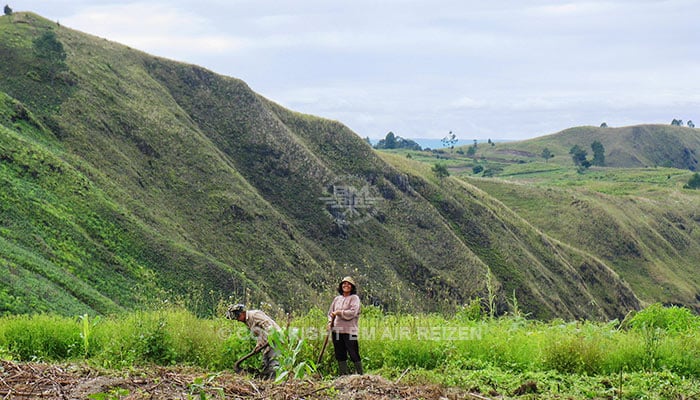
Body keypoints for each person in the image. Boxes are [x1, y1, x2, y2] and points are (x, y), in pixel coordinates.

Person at [226, 304, 280, 379]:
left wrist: (271, 338)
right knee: (265, 364)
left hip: (275, 340)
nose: (238, 320)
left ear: (241, 313)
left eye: (237, 317)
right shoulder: (248, 321)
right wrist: (258, 346)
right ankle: (268, 382)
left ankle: (275, 383)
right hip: (268, 343)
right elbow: (260, 334)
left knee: (273, 363)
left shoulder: (254, 315)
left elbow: (269, 326)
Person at [328, 276, 362, 375]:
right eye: (344, 283)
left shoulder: (354, 298)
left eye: (348, 284)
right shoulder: (337, 299)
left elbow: (352, 312)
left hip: (349, 331)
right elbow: (330, 313)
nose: (346, 285)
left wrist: (339, 312)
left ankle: (360, 375)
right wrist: (330, 322)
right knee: (340, 353)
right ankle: (343, 375)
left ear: (352, 287)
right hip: (337, 330)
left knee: (353, 353)